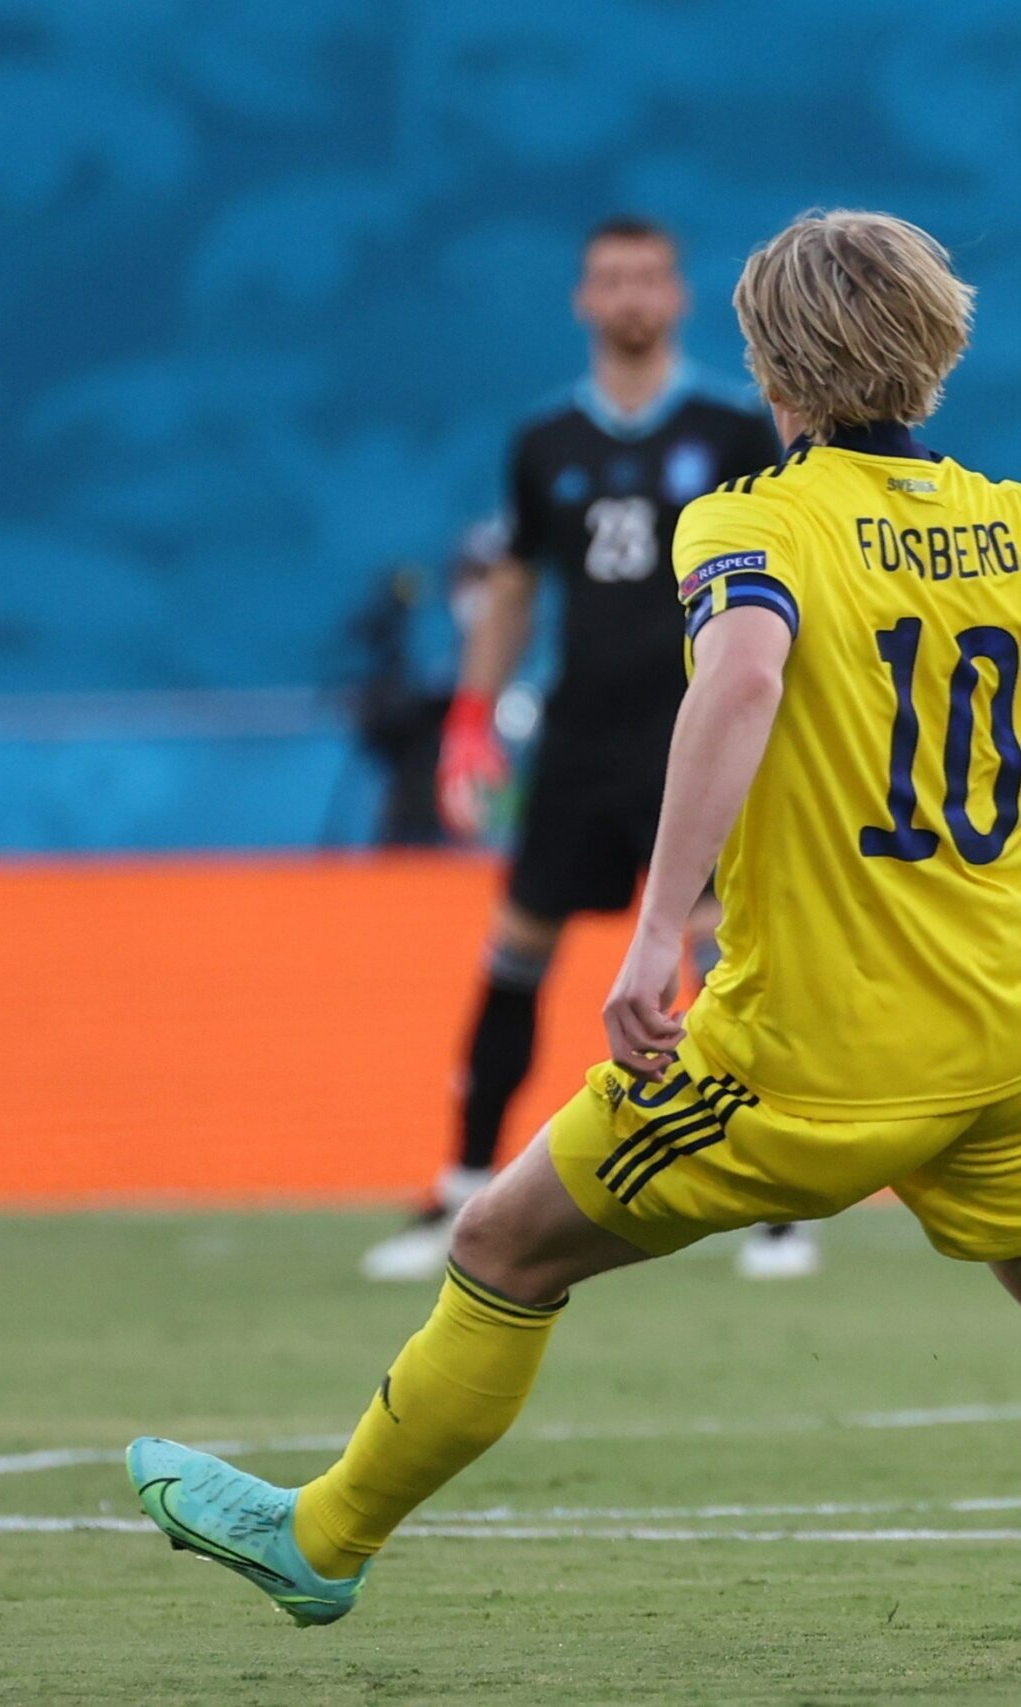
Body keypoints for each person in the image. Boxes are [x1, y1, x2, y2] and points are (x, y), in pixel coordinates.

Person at [125, 209, 1021, 1662]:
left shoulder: (747, 520)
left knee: (501, 1242)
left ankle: (324, 1539)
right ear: (935, 359)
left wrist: (652, 931)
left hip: (811, 1057)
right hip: (1012, 1045)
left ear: (772, 373)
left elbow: (737, 685)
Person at [359, 215, 812, 1284]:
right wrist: (474, 715)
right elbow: (515, 587)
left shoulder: (734, 428)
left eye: (647, 278)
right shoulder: (543, 444)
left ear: (679, 295)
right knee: (517, 947)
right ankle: (464, 1183)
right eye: (610, 280)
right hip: (576, 738)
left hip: (691, 730)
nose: (629, 297)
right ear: (582, 300)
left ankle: (777, 1198)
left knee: (717, 949)